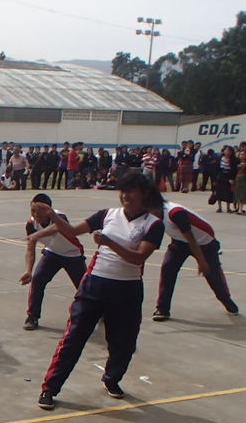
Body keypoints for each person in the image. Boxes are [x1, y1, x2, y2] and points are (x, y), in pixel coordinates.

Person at [35, 174, 164, 409]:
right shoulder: (107, 214)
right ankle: (49, 388)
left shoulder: (153, 225)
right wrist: (51, 215)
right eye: (123, 191)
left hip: (127, 288)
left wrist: (108, 242)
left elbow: (139, 258)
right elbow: (73, 231)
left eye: (131, 191)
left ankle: (111, 379)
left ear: (144, 194)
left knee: (124, 342)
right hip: (95, 283)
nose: (125, 196)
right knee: (74, 338)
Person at [151, 196, 239, 321]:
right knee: (168, 268)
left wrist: (201, 261)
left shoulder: (175, 213)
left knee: (212, 275)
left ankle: (225, 299)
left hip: (204, 242)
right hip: (179, 241)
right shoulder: (150, 214)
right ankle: (163, 309)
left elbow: (191, 238)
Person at [20, 193, 86, 331]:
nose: (35, 214)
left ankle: (100, 311)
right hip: (52, 253)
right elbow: (30, 249)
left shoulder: (59, 216)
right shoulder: (31, 224)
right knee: (38, 280)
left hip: (72, 255)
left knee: (85, 288)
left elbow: (57, 228)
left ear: (47, 210)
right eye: (32, 210)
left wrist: (37, 235)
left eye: (38, 211)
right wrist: (28, 270)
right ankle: (32, 316)